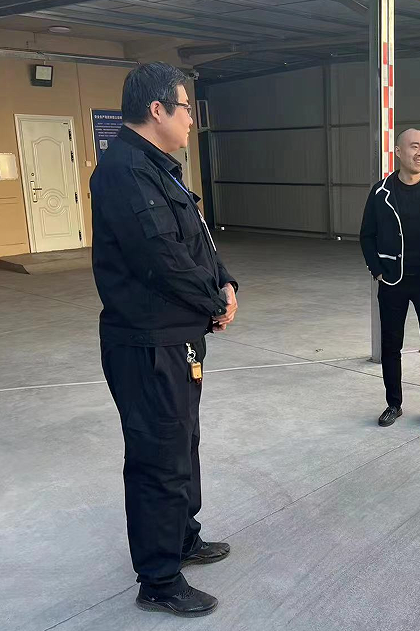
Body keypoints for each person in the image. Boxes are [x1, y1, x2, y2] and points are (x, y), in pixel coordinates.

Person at [91, 62, 237, 617]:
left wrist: (225, 283)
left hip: (178, 336)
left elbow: (196, 240)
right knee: (158, 457)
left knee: (182, 444)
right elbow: (160, 258)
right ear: (157, 109)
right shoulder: (125, 171)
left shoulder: (160, 168)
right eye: (186, 108)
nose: (192, 121)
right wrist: (213, 302)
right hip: (147, 344)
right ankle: (158, 579)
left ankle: (182, 537)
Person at [360, 128, 420, 430]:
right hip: (393, 282)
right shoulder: (380, 193)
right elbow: (366, 236)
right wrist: (377, 270)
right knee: (391, 346)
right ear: (399, 152)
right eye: (414, 146)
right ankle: (394, 404)